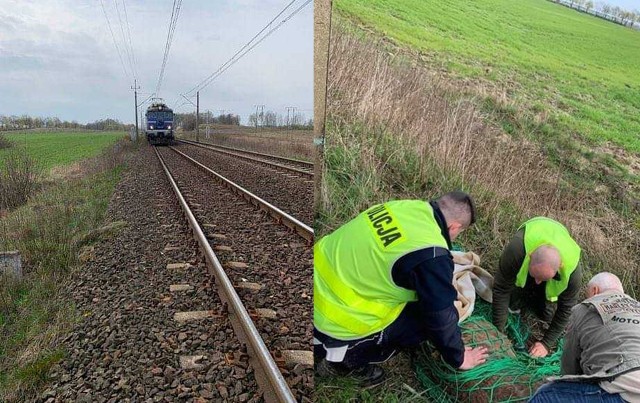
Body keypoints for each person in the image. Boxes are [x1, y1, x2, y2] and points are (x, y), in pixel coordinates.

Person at [314, 191, 489, 387]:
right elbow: (440, 317)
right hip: (332, 318)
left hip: (315, 276)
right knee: (425, 318)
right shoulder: (432, 255)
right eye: (459, 232)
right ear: (454, 226)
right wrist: (459, 357)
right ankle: (346, 361)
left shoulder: (404, 206)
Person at [529, 272, 640, 402]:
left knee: (544, 395)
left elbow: (570, 367)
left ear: (595, 290)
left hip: (627, 393)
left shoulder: (583, 308)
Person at [492, 217, 582, 358]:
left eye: (543, 279)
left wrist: (546, 343)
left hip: (554, 257)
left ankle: (538, 296)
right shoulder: (517, 249)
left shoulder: (572, 273)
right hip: (532, 234)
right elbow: (501, 288)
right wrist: (498, 332)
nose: (538, 282)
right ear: (530, 255)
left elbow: (566, 309)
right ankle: (523, 291)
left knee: (546, 314)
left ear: (560, 267)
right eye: (535, 276)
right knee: (511, 301)